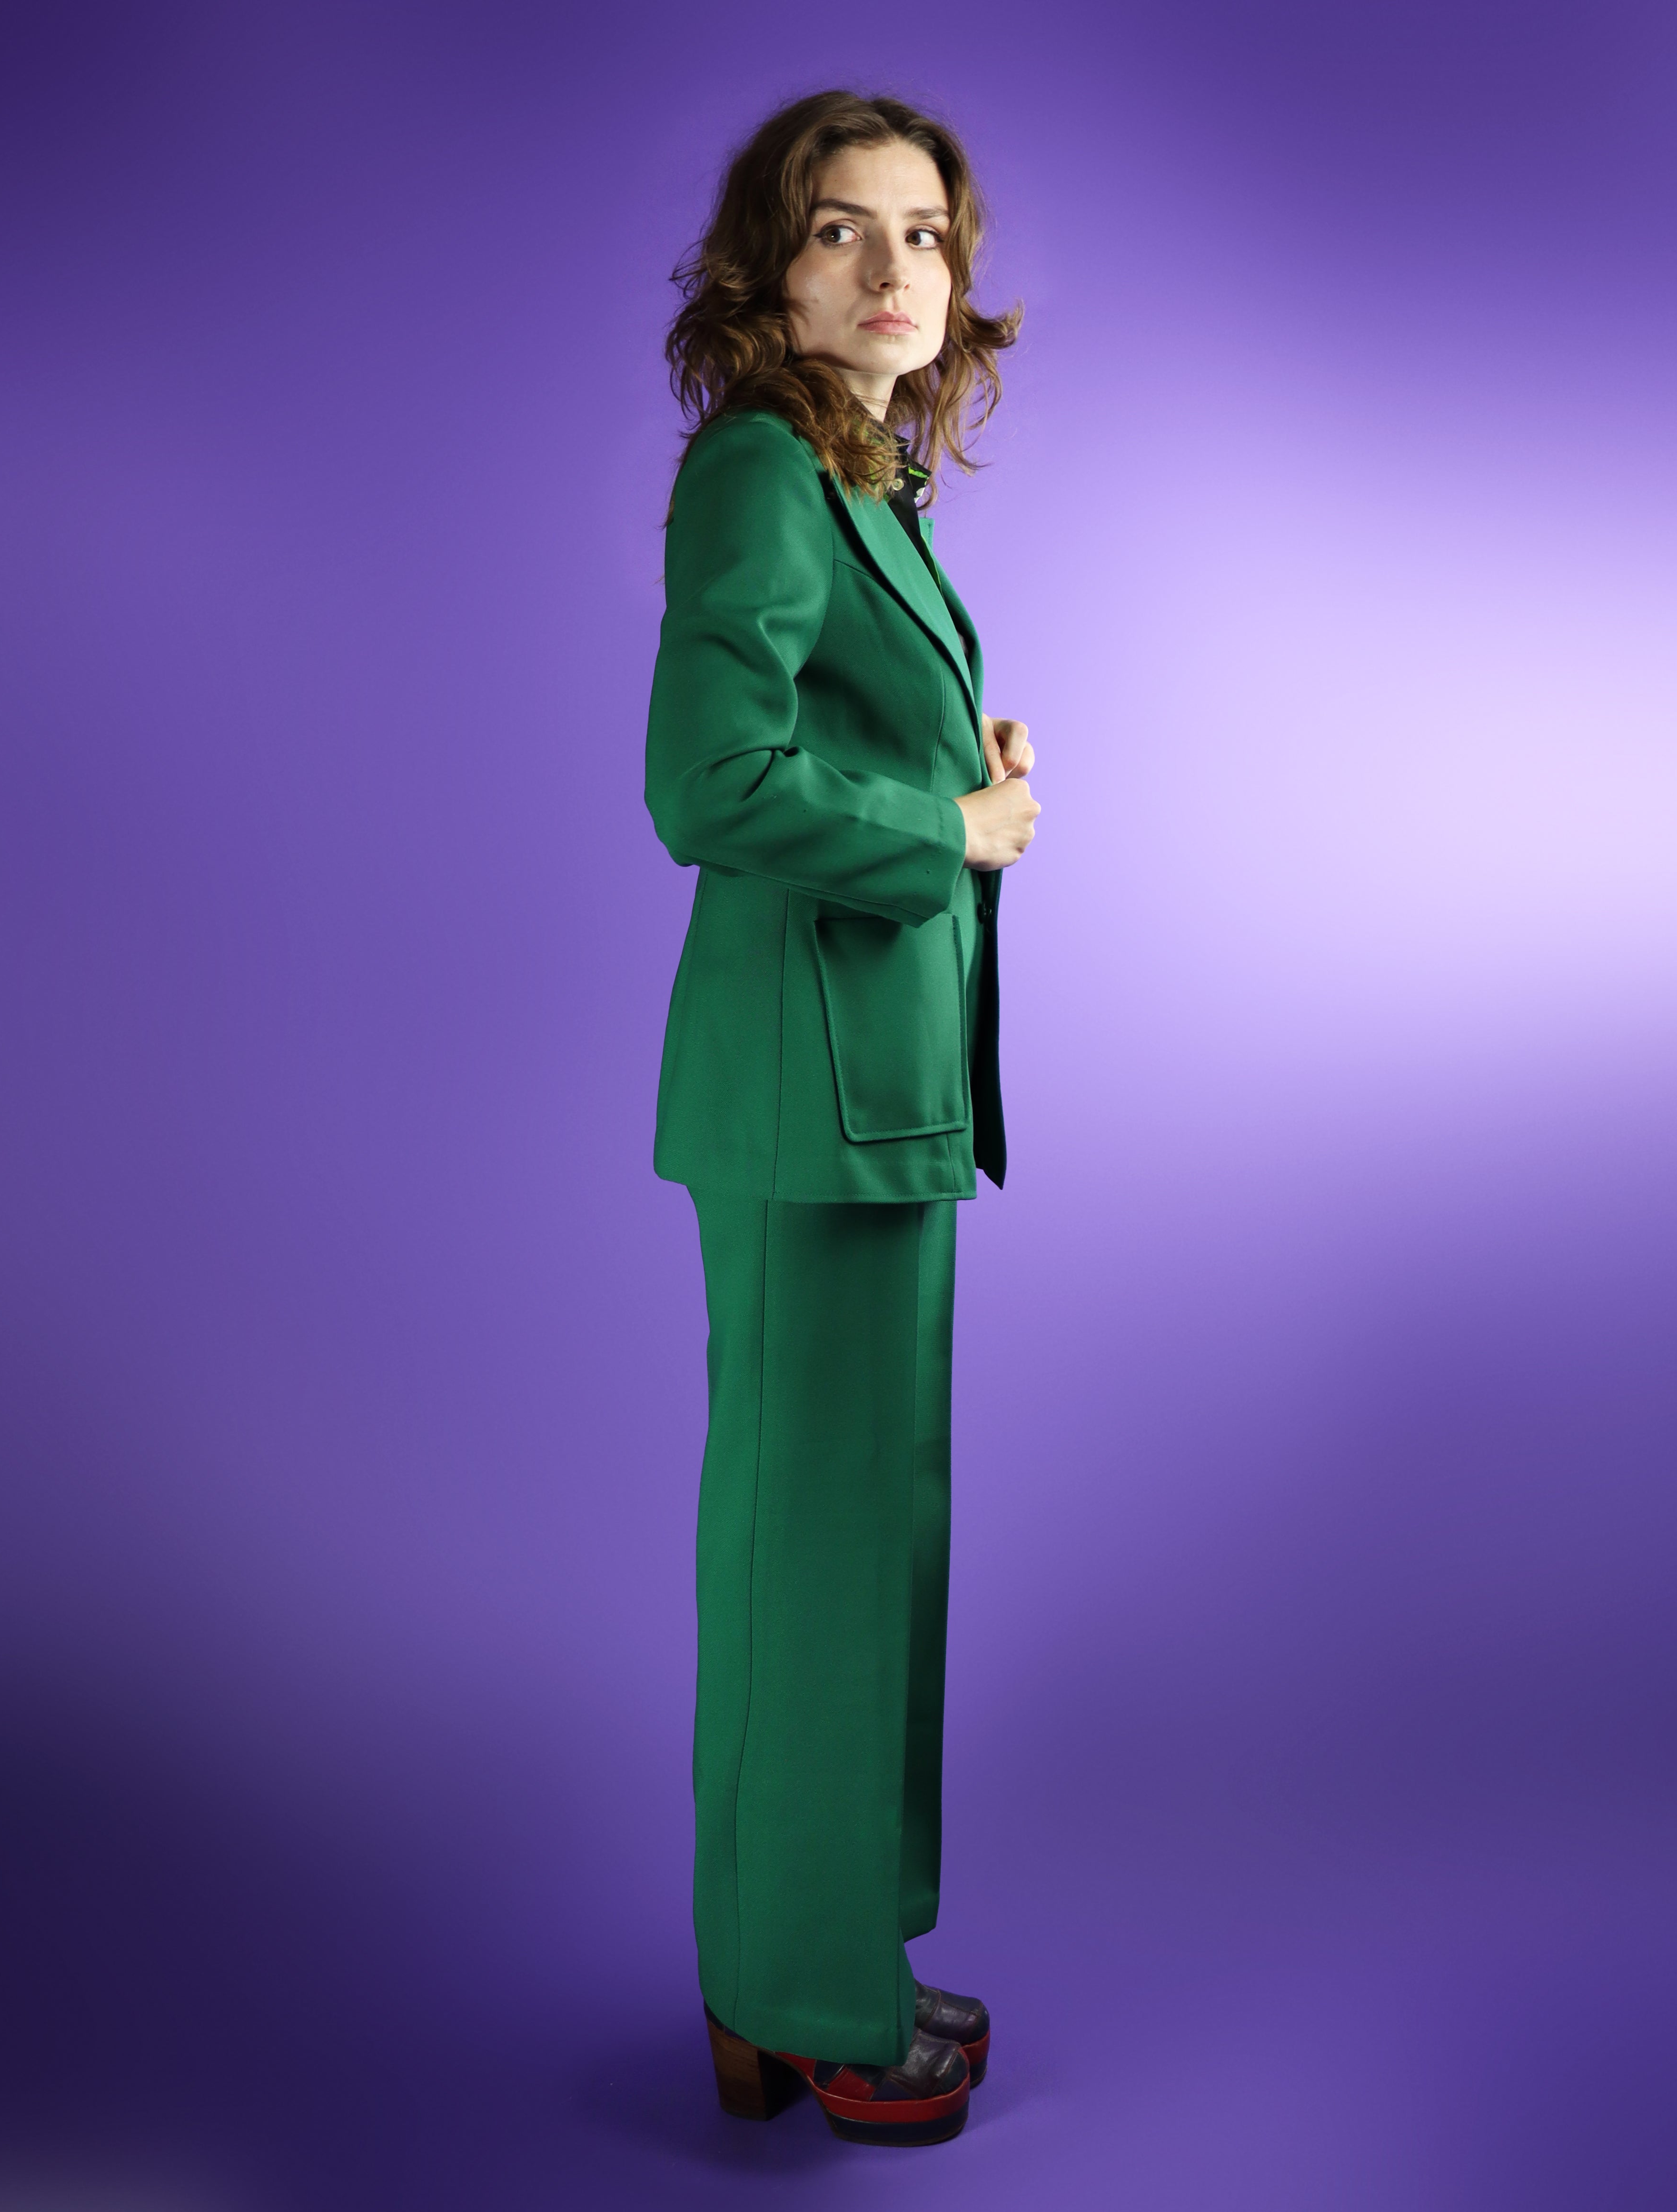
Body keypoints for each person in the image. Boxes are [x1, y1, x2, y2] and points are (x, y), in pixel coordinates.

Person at [645, 88, 1039, 2148]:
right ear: (767, 268)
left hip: (876, 1095)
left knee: (867, 1538)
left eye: (926, 234)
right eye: (841, 230)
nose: (896, 270)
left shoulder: (861, 477)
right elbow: (707, 781)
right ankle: (802, 1999)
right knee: (814, 1553)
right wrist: (948, 825)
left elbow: (837, 739)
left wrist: (965, 769)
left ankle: (810, 1961)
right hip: (811, 1100)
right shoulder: (758, 470)